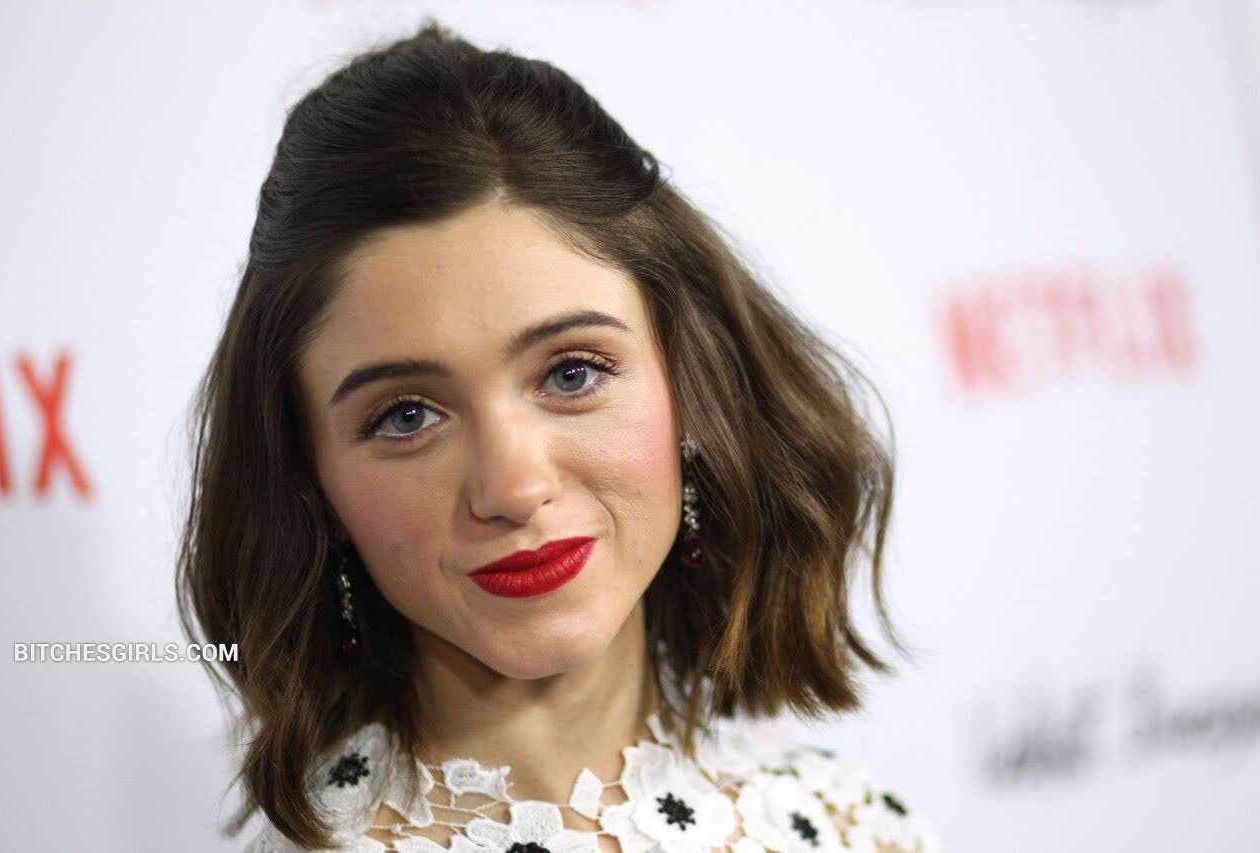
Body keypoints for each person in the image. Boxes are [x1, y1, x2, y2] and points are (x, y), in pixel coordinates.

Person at [176, 17, 943, 853]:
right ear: (311, 482)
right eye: (407, 416)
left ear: (696, 384)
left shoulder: (858, 828)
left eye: (572, 373)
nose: (513, 487)